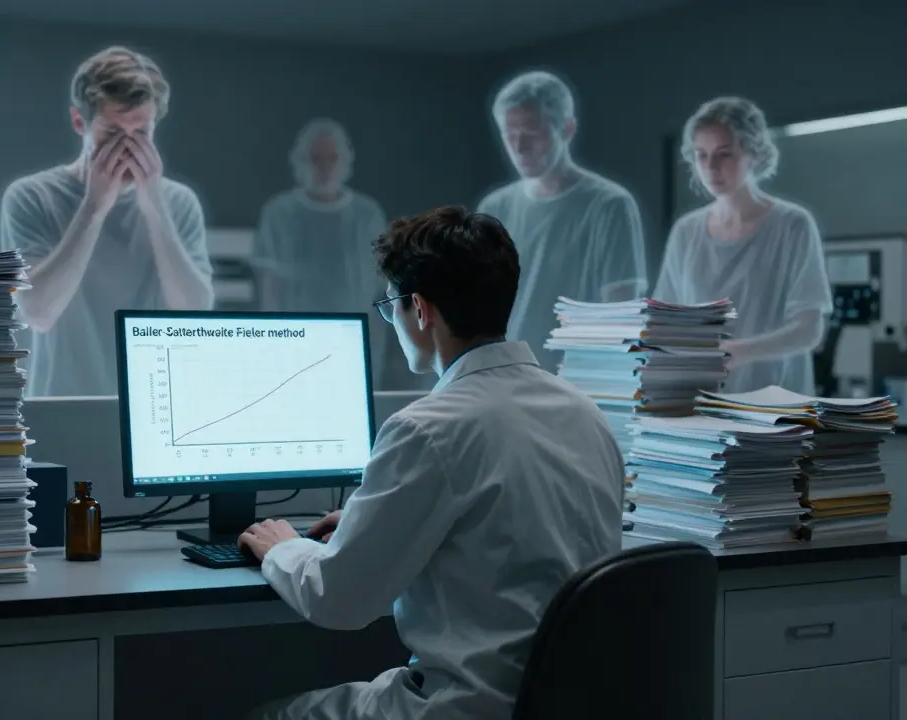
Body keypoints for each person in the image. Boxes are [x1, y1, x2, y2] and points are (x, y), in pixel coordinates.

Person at [238, 206, 625, 720]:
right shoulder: (585, 413)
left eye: (391, 305)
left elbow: (338, 600)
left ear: (419, 310)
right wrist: (366, 525)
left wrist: (283, 550)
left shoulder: (428, 427)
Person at [0, 46, 214, 397]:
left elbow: (194, 316)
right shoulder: (29, 196)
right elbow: (37, 312)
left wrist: (156, 208)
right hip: (60, 404)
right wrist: (94, 206)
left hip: (155, 402)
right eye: (112, 135)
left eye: (141, 134)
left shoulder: (179, 202)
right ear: (79, 123)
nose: (128, 149)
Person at [654, 97, 832, 394]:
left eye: (724, 155)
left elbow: (809, 331)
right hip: (701, 404)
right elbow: (664, 324)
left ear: (754, 154)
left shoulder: (792, 226)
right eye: (701, 155)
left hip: (776, 408)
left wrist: (737, 351)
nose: (711, 167)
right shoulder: (686, 232)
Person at [476, 70, 647, 371]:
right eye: (509, 133)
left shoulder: (609, 205)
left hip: (578, 385)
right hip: (505, 380)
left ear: (566, 129)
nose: (519, 146)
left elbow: (620, 316)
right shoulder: (494, 207)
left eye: (531, 131)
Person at [254, 118, 392, 386]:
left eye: (333, 158)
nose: (325, 168)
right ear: (300, 162)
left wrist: (374, 345)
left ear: (346, 161)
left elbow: (381, 287)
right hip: (296, 339)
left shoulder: (366, 215)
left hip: (353, 337)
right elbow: (269, 288)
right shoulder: (280, 214)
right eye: (316, 159)